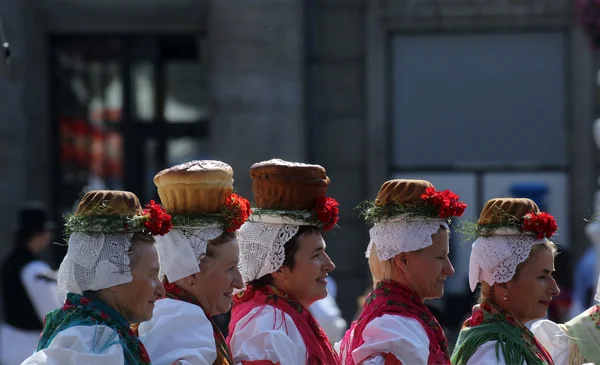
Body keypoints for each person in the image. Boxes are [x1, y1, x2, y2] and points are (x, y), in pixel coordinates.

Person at [21, 190, 170, 364]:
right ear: (113, 277)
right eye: (152, 275)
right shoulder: (94, 344)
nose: (161, 290)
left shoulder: (93, 331)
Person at [337, 179, 466, 365]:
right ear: (404, 259)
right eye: (440, 257)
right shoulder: (394, 329)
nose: (449, 269)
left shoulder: (388, 320)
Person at [227, 159, 341, 365]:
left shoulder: (281, 315)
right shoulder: (267, 326)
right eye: (316, 255)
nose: (329, 265)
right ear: (277, 266)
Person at [138, 160, 251, 364]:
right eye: (230, 268)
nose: (239, 282)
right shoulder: (183, 318)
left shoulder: (174, 311)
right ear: (190, 272)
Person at [451, 198, 560, 365]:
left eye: (551, 275)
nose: (555, 289)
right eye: (542, 277)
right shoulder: (491, 352)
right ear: (503, 282)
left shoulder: (512, 337)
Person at [0, 202, 62, 365]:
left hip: (8, 342)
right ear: (38, 233)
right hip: (28, 349)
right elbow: (52, 314)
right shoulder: (35, 269)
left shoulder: (10, 261)